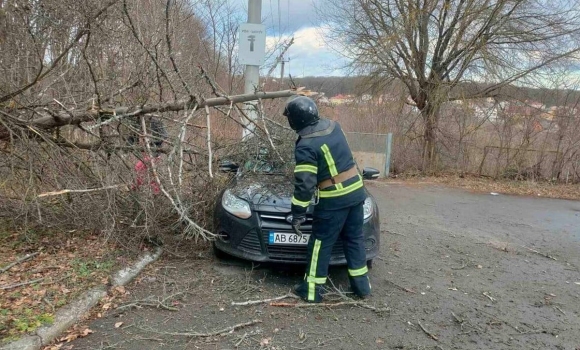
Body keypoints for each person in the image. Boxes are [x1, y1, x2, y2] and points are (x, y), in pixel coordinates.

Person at [284, 95, 371, 303]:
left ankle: (311, 292)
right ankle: (362, 288)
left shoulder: (306, 145)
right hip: (357, 192)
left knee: (319, 245)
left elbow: (304, 186)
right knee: (354, 239)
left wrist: (297, 214)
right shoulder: (334, 126)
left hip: (334, 200)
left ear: (295, 120)